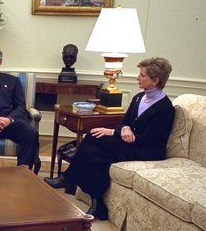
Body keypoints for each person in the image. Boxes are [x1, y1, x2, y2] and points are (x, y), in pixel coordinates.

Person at [44, 57, 175, 220]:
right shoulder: (139, 97)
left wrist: (114, 133)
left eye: (142, 75)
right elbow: (125, 122)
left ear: (155, 80)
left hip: (146, 151)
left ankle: (69, 178)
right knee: (97, 153)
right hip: (130, 142)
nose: (137, 78)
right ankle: (97, 202)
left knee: (94, 139)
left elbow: (147, 140)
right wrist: (124, 129)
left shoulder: (165, 108)